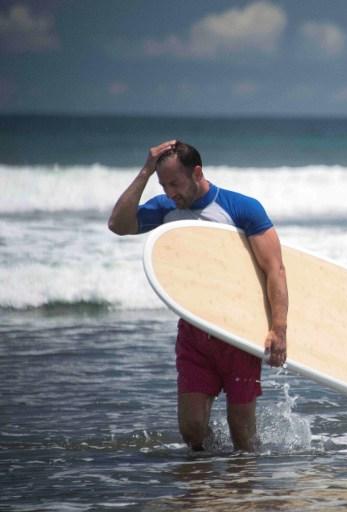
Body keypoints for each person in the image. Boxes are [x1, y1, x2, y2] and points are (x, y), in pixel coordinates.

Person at [108, 140, 288, 452]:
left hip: (237, 334)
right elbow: (118, 225)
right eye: (163, 185)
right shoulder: (166, 210)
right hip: (193, 333)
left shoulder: (241, 208)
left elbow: (275, 269)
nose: (169, 193)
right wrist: (146, 172)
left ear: (197, 173)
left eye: (174, 183)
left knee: (243, 437)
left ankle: (243, 493)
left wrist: (278, 328)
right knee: (192, 431)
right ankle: (205, 490)